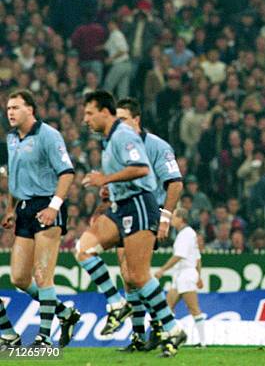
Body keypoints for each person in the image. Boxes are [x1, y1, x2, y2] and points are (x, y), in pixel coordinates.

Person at [75, 90, 185, 357]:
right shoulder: (110, 139)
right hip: (121, 206)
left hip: (139, 204)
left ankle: (170, 328)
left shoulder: (125, 135)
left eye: (89, 113)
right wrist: (107, 194)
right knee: (84, 249)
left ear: (105, 112)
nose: (85, 119)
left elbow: (141, 169)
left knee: (136, 275)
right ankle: (117, 304)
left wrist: (106, 179)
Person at [1, 89, 80, 347]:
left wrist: (55, 206)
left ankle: (44, 338)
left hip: (46, 204)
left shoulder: (49, 135)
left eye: (15, 107)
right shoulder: (11, 138)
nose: (10, 112)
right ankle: (65, 314)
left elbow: (67, 172)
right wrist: (11, 209)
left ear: (30, 110)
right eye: (8, 108)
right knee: (20, 278)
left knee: (43, 274)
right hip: (23, 208)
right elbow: (14, 176)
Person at [115, 97, 184, 352]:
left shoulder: (157, 146)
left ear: (136, 119)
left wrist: (165, 218)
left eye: (123, 119)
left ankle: (162, 326)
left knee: (137, 273)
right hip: (123, 212)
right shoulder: (116, 146)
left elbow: (175, 182)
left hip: (147, 213)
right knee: (128, 277)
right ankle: (140, 334)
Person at [155, 208, 205, 347]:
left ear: (181, 219)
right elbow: (198, 258)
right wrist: (199, 276)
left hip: (186, 275)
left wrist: (162, 270)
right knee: (167, 306)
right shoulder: (188, 234)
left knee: (193, 308)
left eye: (174, 217)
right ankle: (168, 337)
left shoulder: (185, 234)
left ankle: (203, 342)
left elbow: (179, 256)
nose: (171, 221)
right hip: (183, 275)